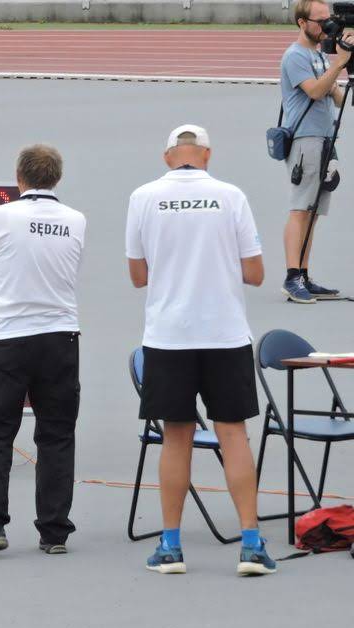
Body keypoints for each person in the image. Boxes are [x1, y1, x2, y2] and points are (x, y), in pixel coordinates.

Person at [126, 124, 276, 576]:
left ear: (167, 156)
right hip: (224, 333)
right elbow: (255, 273)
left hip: (169, 335)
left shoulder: (143, 197)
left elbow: (138, 276)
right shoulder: (231, 196)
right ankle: (251, 544)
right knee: (233, 434)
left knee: (176, 437)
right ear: (207, 155)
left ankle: (171, 547)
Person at [0, 145, 85, 558]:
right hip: (61, 336)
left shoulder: (0, 216)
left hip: (10, 337)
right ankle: (55, 532)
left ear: (19, 177)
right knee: (57, 433)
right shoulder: (76, 220)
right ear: (57, 178)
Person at [279, 0, 354, 303]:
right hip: (305, 140)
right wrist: (338, 63)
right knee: (300, 209)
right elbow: (314, 91)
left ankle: (304, 275)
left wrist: (345, 66)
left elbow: (336, 97)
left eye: (328, 20)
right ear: (302, 22)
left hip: (324, 139)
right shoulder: (295, 56)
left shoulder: (320, 56)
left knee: (313, 212)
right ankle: (291, 277)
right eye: (320, 21)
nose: (327, 26)